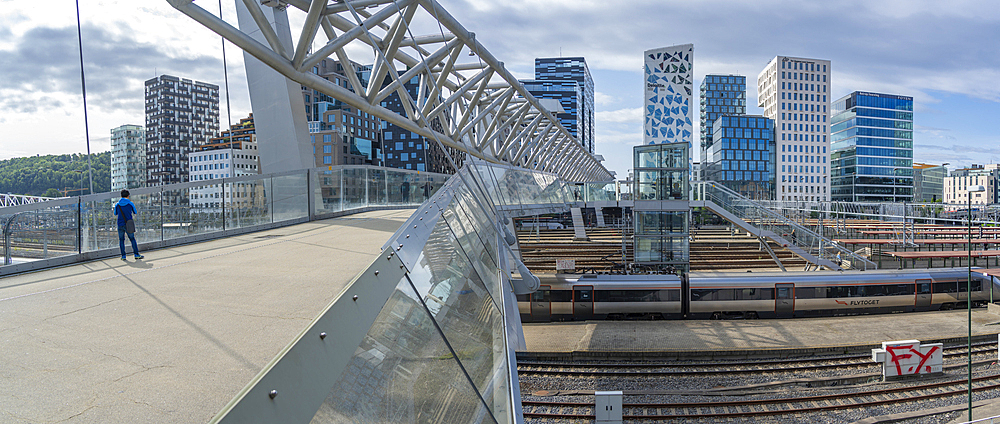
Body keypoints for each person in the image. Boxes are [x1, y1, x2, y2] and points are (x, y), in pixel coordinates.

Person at [115, 189, 144, 261]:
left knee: (121, 240)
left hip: (120, 224)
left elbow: (115, 213)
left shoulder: (117, 204)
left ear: (121, 196)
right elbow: (135, 212)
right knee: (132, 239)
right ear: (128, 196)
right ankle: (136, 254)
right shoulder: (130, 203)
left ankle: (123, 256)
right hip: (129, 224)